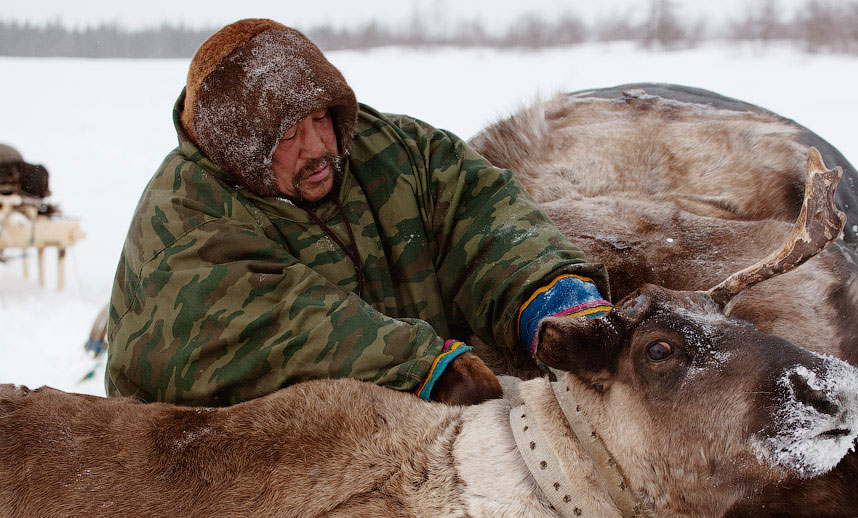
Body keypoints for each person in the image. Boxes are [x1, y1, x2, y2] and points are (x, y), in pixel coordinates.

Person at [106, 18, 611, 407]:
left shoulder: (389, 149)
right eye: (287, 136)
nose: (320, 146)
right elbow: (285, 330)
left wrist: (554, 298)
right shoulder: (182, 222)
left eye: (321, 116)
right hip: (234, 500)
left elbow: (478, 213)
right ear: (236, 151)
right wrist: (425, 371)